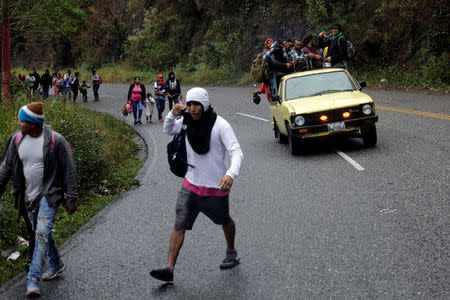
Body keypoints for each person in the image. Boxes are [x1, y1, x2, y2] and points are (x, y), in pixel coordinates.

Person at [150, 87, 244, 282]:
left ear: (205, 105)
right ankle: (169, 269)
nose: (192, 109)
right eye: (190, 104)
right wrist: (171, 114)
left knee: (225, 221)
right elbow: (167, 129)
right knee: (179, 225)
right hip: (190, 185)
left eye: (197, 105)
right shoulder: (185, 122)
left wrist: (230, 174)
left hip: (215, 188)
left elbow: (236, 151)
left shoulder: (220, 125)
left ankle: (231, 250)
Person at [0, 102, 78, 297]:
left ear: (32, 124)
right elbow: (6, 167)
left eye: (21, 120)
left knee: (41, 232)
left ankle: (32, 279)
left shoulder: (56, 141)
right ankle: (56, 263)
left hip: (49, 194)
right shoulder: (16, 140)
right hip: (28, 196)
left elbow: (69, 170)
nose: (18, 123)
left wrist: (72, 198)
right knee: (39, 232)